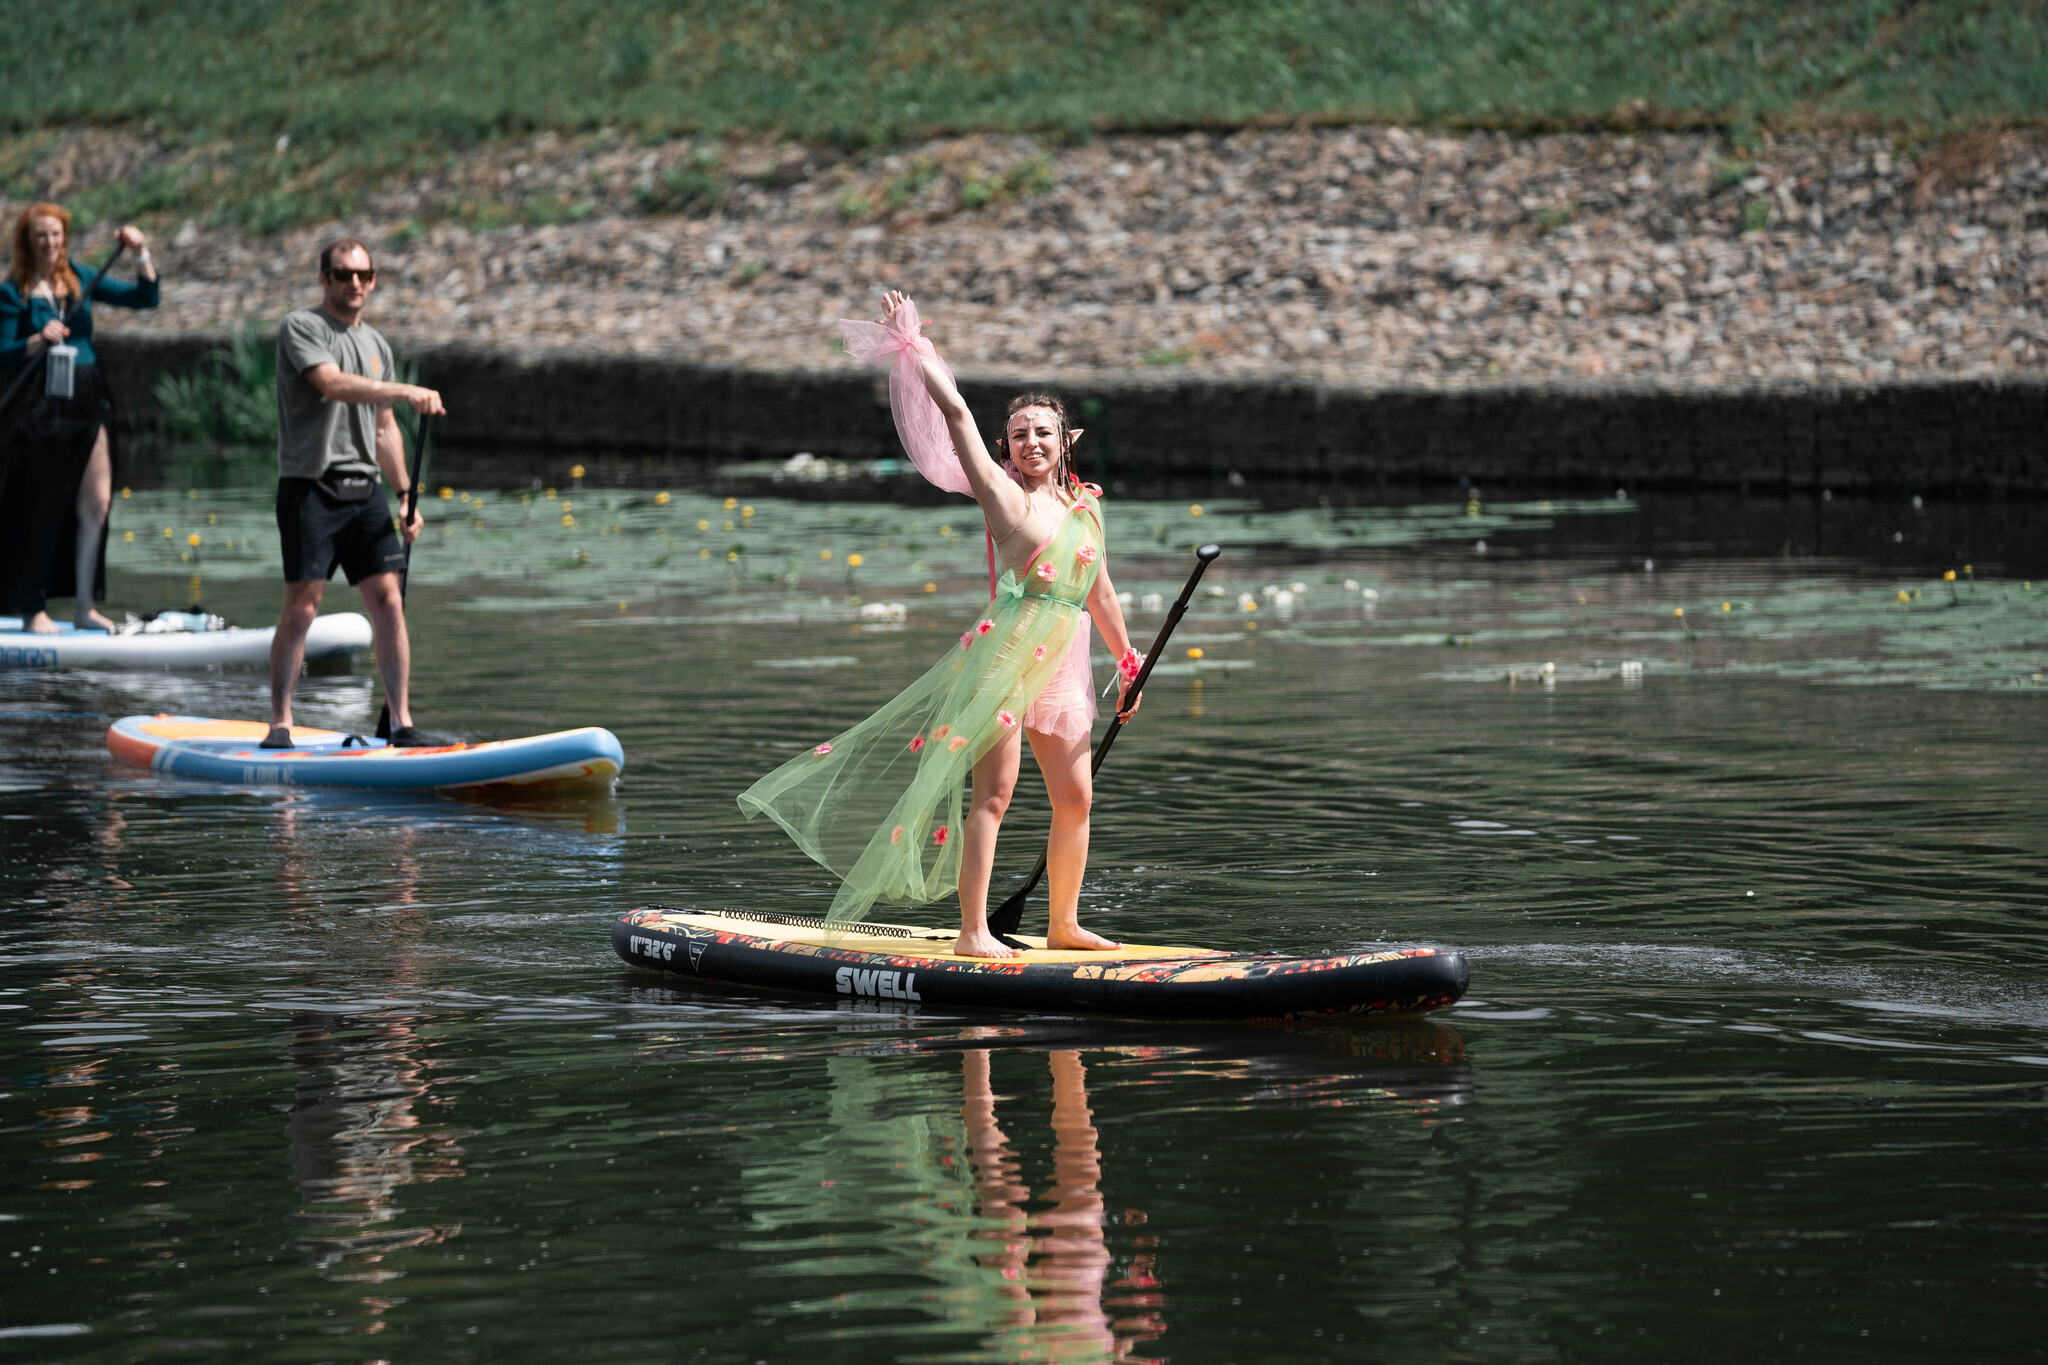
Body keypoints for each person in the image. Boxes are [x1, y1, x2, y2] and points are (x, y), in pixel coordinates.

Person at [740, 290, 1142, 958]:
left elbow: (1099, 591)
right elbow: (954, 412)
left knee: (1077, 798)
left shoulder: (1088, 510)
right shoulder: (1003, 495)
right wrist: (916, 346)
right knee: (996, 795)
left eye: (1044, 431)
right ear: (1005, 447)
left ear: (1065, 441)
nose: (1032, 441)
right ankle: (973, 931)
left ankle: (1064, 923)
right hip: (1009, 656)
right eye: (1020, 434)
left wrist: (1128, 668)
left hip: (1068, 663)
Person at [267, 238, 448, 749]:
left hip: (363, 488)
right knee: (304, 606)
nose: (354, 284)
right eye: (343, 274)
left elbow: (385, 429)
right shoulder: (301, 327)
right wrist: (407, 390)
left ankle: (400, 722)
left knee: (389, 600)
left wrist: (406, 493)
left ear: (372, 281)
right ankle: (281, 721)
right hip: (311, 485)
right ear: (324, 279)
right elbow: (333, 385)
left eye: (363, 275)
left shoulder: (378, 347)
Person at [0, 205, 158, 633]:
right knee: (39, 504)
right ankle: (33, 610)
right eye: (40, 236)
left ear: (63, 237)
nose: (49, 243)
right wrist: (35, 339)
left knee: (98, 502)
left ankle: (85, 605)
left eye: (55, 235)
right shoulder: (13, 291)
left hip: (88, 399)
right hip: (38, 408)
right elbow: (2, 350)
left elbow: (146, 298)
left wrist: (140, 252)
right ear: (26, 241)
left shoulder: (81, 279)